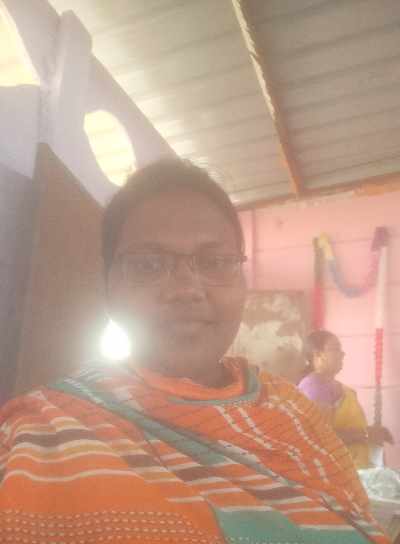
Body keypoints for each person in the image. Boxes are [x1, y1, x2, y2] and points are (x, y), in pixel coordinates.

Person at [0, 159, 390, 544]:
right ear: (107, 286)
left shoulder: (294, 413)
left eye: (215, 262)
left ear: (242, 280)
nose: (186, 289)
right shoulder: (41, 433)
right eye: (148, 265)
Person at [298, 330, 393, 470]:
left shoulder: (339, 388)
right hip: (334, 472)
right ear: (317, 354)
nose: (342, 354)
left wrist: (374, 432)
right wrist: (366, 434)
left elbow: (344, 427)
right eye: (336, 349)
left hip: (352, 468)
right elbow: (321, 437)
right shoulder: (315, 386)